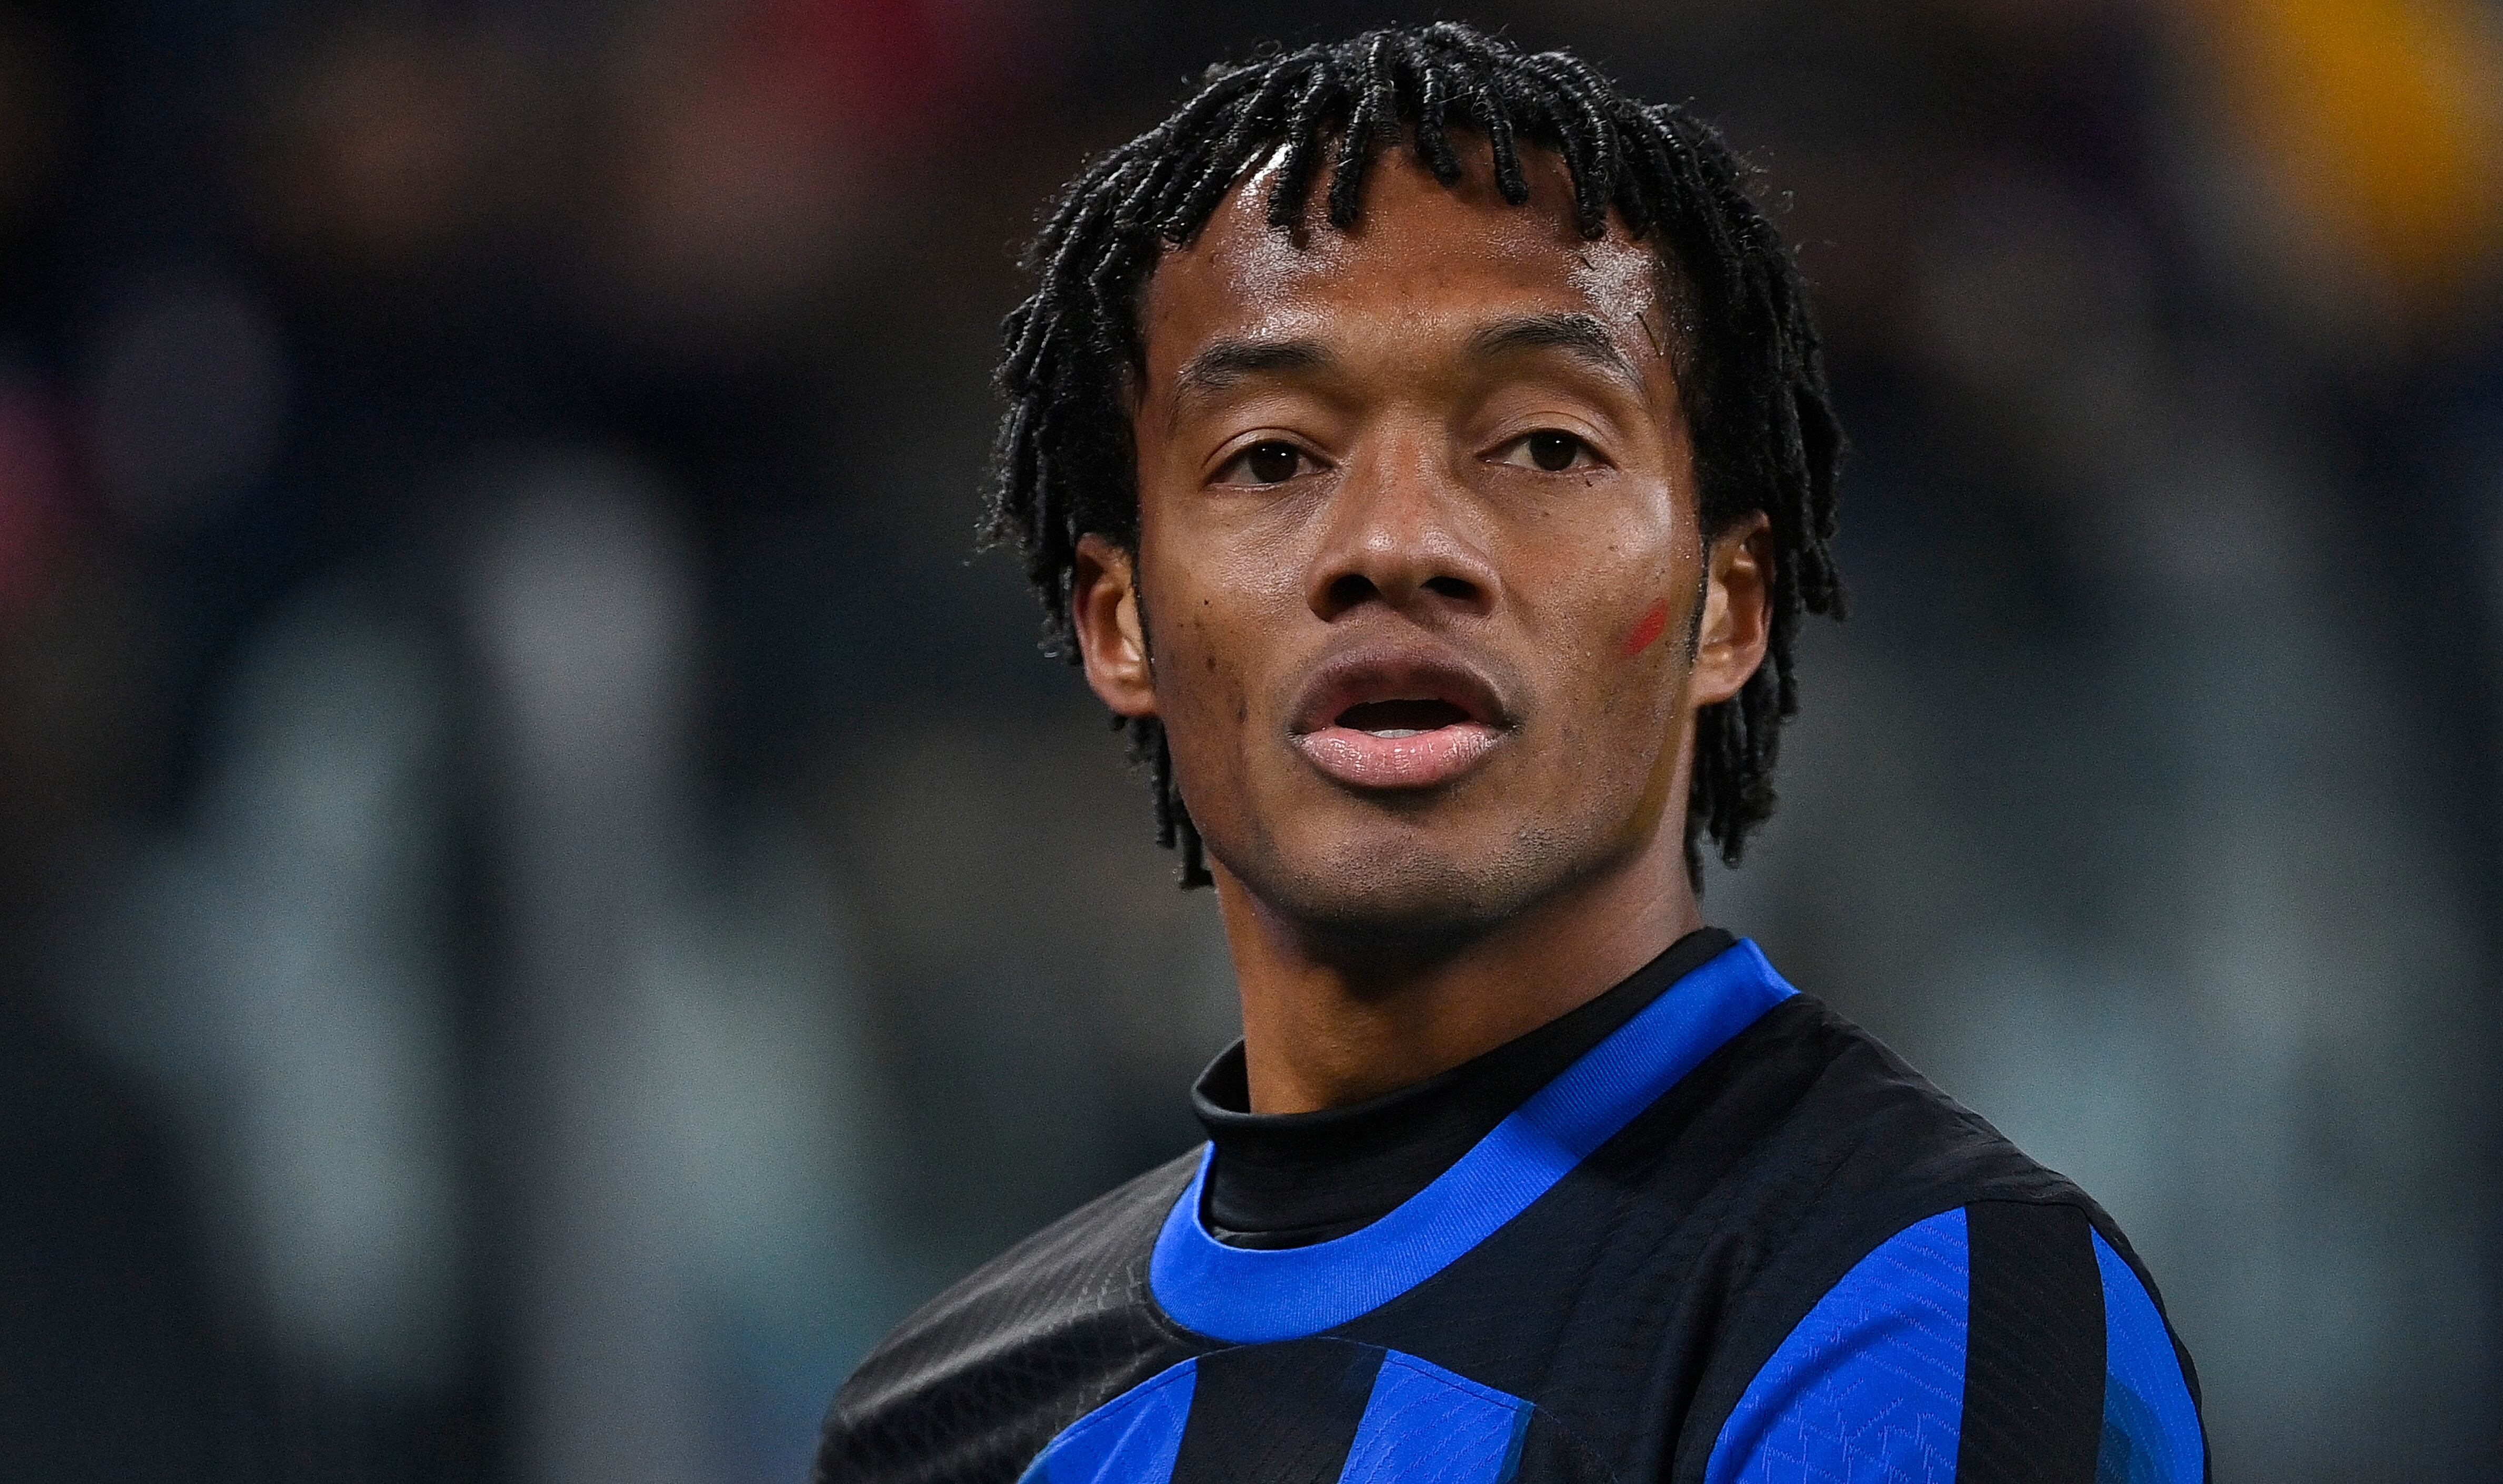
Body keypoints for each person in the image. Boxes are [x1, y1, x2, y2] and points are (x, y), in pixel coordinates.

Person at [816, 23, 2205, 1484]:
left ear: (1729, 609)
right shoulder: (935, 1424)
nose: (1398, 545)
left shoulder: (1913, 1298)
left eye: (1543, 445)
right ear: (1120, 627)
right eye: (1274, 457)